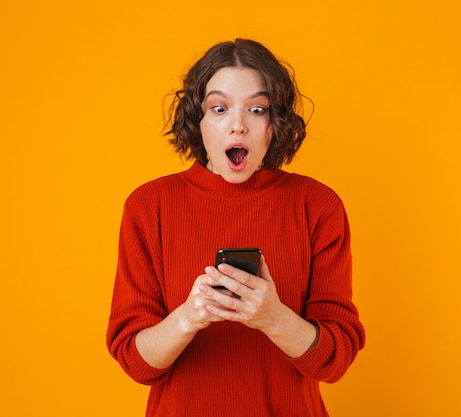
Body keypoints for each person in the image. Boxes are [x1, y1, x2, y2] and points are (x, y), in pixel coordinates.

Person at [106, 38, 365, 417]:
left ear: (274, 125)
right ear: (198, 120)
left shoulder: (318, 206)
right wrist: (190, 316)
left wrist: (273, 318)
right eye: (220, 108)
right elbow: (136, 362)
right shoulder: (148, 207)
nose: (238, 126)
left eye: (257, 109)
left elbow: (335, 361)